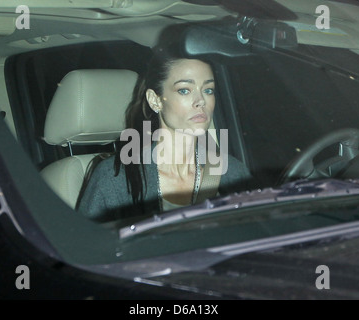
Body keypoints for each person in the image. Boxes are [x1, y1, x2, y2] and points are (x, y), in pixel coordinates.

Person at [77, 43, 252, 222]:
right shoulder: (115, 179)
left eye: (208, 90)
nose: (201, 101)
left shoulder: (231, 172)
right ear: (155, 100)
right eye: (184, 90)